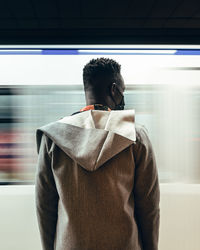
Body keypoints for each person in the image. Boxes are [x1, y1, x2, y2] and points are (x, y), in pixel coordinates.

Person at [35, 57, 160, 250]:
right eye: (123, 90)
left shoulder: (52, 137)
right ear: (114, 89)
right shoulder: (136, 135)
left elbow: (45, 208)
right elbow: (149, 208)